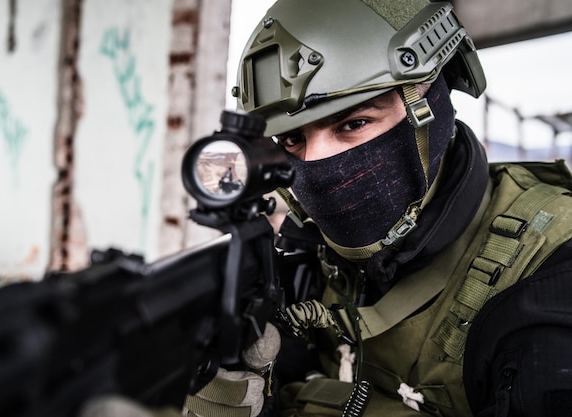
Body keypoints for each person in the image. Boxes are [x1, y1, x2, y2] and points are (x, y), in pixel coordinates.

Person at [181, 0, 572, 416]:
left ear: (431, 106)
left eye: (353, 124)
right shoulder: (311, 250)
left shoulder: (549, 277)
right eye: (293, 140)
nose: (315, 164)